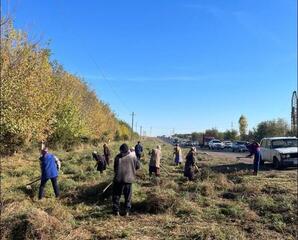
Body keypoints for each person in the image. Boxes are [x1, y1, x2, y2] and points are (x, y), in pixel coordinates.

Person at [112, 143, 140, 216]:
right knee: (127, 197)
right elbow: (138, 166)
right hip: (129, 179)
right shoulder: (133, 156)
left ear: (121, 150)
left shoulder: (117, 157)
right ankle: (126, 211)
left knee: (117, 196)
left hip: (119, 179)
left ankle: (117, 211)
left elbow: (115, 168)